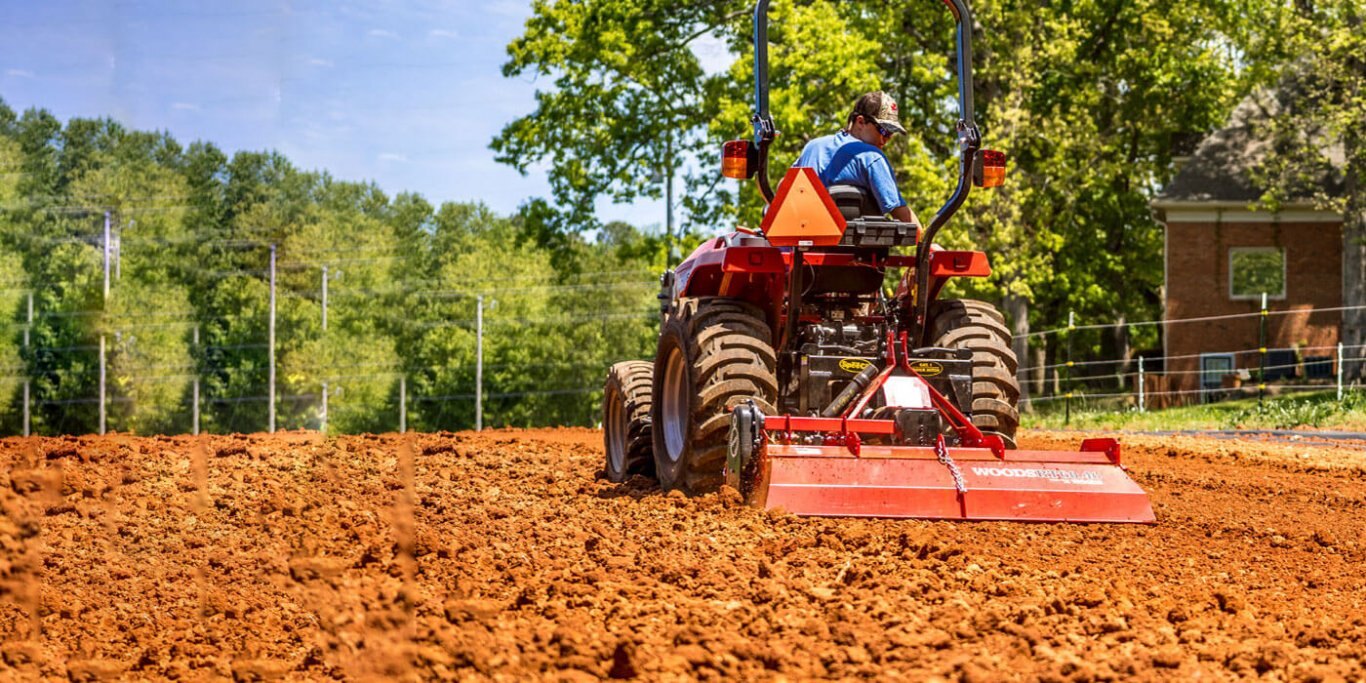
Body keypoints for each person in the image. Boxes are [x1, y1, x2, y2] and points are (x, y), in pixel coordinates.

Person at [792, 91, 919, 224]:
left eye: (890, 134)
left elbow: (783, 188)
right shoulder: (872, 156)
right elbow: (905, 219)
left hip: (803, 239)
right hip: (853, 244)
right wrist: (926, 240)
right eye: (883, 131)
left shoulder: (812, 147)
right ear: (860, 122)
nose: (885, 140)